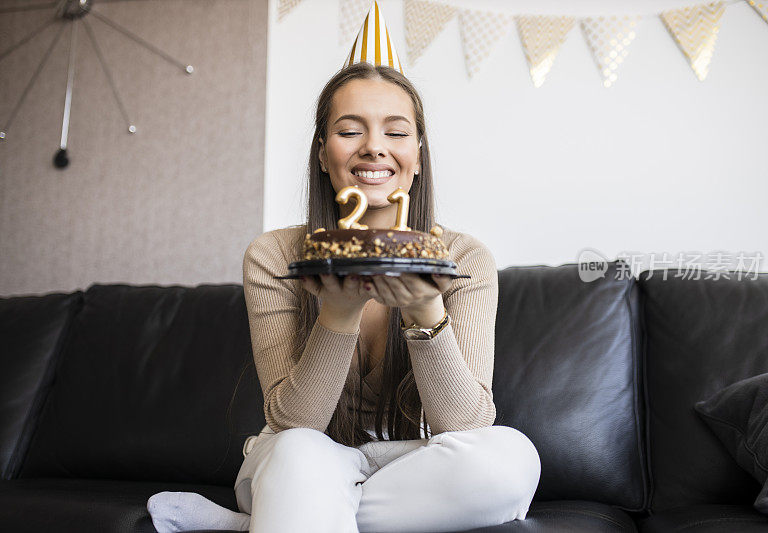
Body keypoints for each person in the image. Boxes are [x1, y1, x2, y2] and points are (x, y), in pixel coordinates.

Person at [147, 5, 540, 533]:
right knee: (301, 456)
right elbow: (293, 424)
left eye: (396, 133)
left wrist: (426, 309)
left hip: (412, 466)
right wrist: (337, 313)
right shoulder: (275, 256)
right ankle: (291, 504)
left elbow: (466, 428)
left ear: (419, 155)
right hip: (297, 457)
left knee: (513, 458)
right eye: (350, 131)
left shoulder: (463, 259)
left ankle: (261, 523)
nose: (374, 146)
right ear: (322, 153)